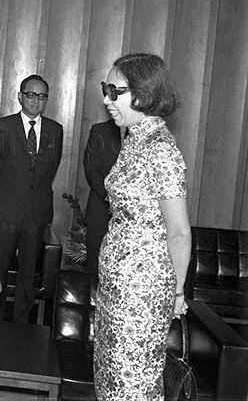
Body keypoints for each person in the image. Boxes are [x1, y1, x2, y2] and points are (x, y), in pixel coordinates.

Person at [94, 53, 190, 400]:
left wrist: (177, 294)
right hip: (117, 286)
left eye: (114, 91)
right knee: (110, 380)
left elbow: (179, 231)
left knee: (132, 383)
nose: (106, 99)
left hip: (142, 292)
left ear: (142, 93)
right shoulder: (134, 138)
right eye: (105, 89)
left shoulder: (160, 149)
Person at [0, 74, 63, 323]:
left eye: (42, 96)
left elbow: (50, 170)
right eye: (31, 95)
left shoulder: (55, 130)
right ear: (20, 96)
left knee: (28, 273)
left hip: (36, 212)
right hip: (6, 210)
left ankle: (22, 323)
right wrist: (7, 196)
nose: (36, 100)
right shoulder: (3, 127)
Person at [82, 119, 122, 273]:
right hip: (101, 208)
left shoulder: (146, 134)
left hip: (132, 215)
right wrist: (109, 195)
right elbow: (91, 168)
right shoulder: (100, 130)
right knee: (94, 266)